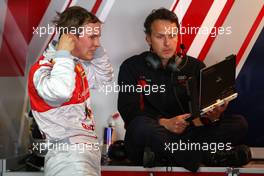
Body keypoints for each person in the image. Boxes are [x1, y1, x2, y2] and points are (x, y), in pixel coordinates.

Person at [117, 8, 251, 172]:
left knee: (239, 123)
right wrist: (165, 123)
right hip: (153, 133)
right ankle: (207, 156)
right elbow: (128, 111)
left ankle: (164, 156)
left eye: (172, 36)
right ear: (148, 39)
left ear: (178, 36)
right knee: (139, 126)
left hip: (187, 135)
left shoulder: (195, 67)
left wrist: (213, 116)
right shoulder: (131, 67)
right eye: (160, 37)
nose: (167, 43)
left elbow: (201, 117)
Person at [28, 6, 113, 176]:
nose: (97, 43)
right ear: (70, 38)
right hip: (67, 159)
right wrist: (63, 52)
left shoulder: (75, 67)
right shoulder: (44, 69)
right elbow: (60, 92)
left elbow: (104, 78)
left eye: (98, 37)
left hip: (84, 156)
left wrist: (90, 50)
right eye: (92, 37)